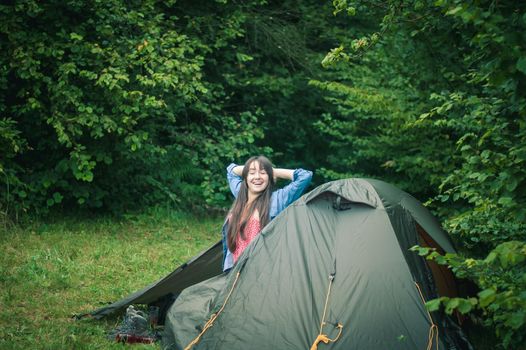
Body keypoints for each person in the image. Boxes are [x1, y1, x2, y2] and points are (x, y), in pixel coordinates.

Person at [222, 156, 313, 272]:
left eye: (263, 173)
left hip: (260, 271)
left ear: (270, 177)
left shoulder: (277, 199)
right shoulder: (240, 193)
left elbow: (305, 176)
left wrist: (271, 170)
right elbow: (231, 171)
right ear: (245, 177)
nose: (257, 177)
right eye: (252, 173)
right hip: (233, 269)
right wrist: (256, 168)